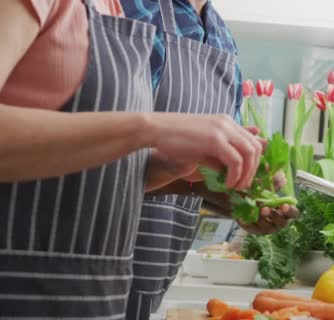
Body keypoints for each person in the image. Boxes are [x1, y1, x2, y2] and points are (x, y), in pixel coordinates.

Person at [0, 0, 266, 318]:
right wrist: (150, 128)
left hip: (97, 298)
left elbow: (94, 173)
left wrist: (174, 170)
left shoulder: (113, 10)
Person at [119, 1, 298, 318]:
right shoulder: (132, 10)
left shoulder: (222, 37)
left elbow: (206, 172)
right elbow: (92, 161)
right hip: (95, 259)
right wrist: (198, 185)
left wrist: (239, 197)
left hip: (156, 274)